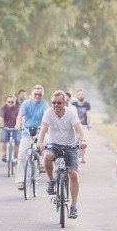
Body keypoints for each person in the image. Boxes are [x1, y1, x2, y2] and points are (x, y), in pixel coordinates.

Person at [37, 90, 87, 219]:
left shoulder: (71, 113)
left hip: (70, 146)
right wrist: (40, 142)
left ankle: (73, 206)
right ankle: (51, 181)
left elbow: (78, 128)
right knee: (47, 156)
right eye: (53, 103)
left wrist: (82, 140)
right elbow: (43, 128)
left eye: (59, 103)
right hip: (54, 144)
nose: (56, 105)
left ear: (65, 102)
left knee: (73, 174)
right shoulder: (48, 112)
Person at [14, 85, 47, 190]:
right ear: (31, 95)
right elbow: (20, 116)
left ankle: (41, 163)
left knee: (44, 145)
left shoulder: (44, 105)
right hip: (27, 132)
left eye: (40, 94)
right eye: (35, 94)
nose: (37, 96)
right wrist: (18, 124)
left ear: (42, 95)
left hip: (39, 132)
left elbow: (47, 118)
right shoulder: (26, 104)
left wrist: (46, 128)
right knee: (22, 156)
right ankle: (20, 181)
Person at [71, 88, 93, 164]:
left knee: (83, 141)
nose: (80, 96)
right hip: (74, 126)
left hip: (84, 125)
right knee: (73, 142)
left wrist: (90, 124)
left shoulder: (87, 104)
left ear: (84, 95)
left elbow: (88, 114)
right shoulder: (73, 104)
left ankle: (82, 158)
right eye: (79, 94)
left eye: (82, 94)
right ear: (77, 95)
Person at [0, 95, 20, 163]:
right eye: (8, 102)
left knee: (18, 141)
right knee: (3, 139)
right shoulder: (3, 108)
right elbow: (1, 118)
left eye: (12, 102)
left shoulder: (18, 108)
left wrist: (20, 125)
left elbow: (21, 118)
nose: (10, 103)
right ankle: (4, 154)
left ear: (15, 102)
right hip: (6, 128)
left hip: (16, 128)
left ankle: (16, 155)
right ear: (6, 102)